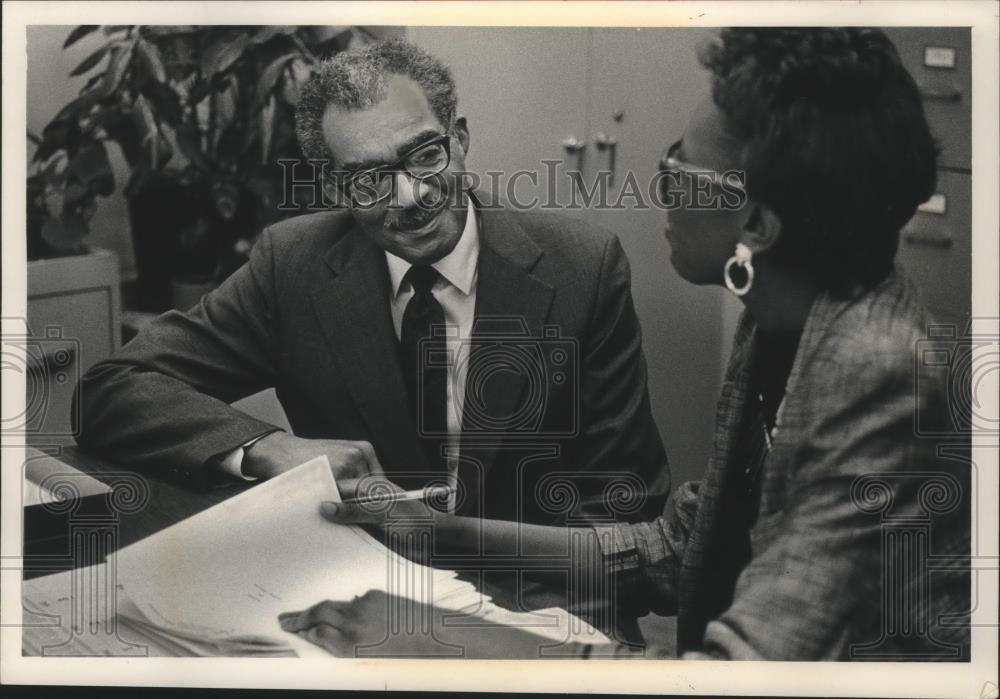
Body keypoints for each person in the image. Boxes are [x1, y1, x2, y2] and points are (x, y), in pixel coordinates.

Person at [281, 28, 971, 660]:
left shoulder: (872, 366)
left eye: (678, 173)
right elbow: (677, 549)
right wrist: (441, 533)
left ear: (755, 224)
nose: (658, 188)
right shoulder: (783, 316)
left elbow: (733, 677)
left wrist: (441, 635)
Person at [73, 39, 669, 529]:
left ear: (459, 142)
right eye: (368, 179)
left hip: (535, 596)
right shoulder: (294, 264)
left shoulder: (583, 267)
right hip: (358, 590)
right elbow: (111, 391)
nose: (411, 196)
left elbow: (627, 503)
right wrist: (265, 448)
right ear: (333, 189)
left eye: (425, 156)